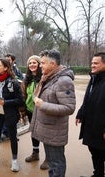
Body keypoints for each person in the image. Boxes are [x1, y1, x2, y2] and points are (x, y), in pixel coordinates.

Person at [29, 49, 76, 177]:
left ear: (53, 64)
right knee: (52, 163)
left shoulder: (64, 81)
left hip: (54, 131)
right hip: (48, 129)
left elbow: (69, 107)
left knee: (57, 163)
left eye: (43, 63)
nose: (40, 66)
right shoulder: (49, 78)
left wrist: (42, 105)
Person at [0, 58, 24, 172]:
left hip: (10, 114)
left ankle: (15, 160)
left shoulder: (13, 82)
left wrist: (5, 102)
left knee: (12, 137)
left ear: (6, 68)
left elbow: (20, 100)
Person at [76, 52, 105, 177]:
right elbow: (88, 99)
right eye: (92, 63)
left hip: (102, 126)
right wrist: (80, 113)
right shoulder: (94, 78)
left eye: (96, 63)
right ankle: (98, 174)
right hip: (92, 125)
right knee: (94, 150)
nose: (92, 65)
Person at [21, 55, 48, 170]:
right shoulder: (26, 79)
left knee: (45, 134)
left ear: (39, 64)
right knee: (34, 132)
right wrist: (23, 110)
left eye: (34, 63)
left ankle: (49, 157)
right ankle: (35, 153)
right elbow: (23, 95)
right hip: (30, 109)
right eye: (30, 63)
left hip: (42, 110)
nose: (32, 65)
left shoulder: (44, 78)